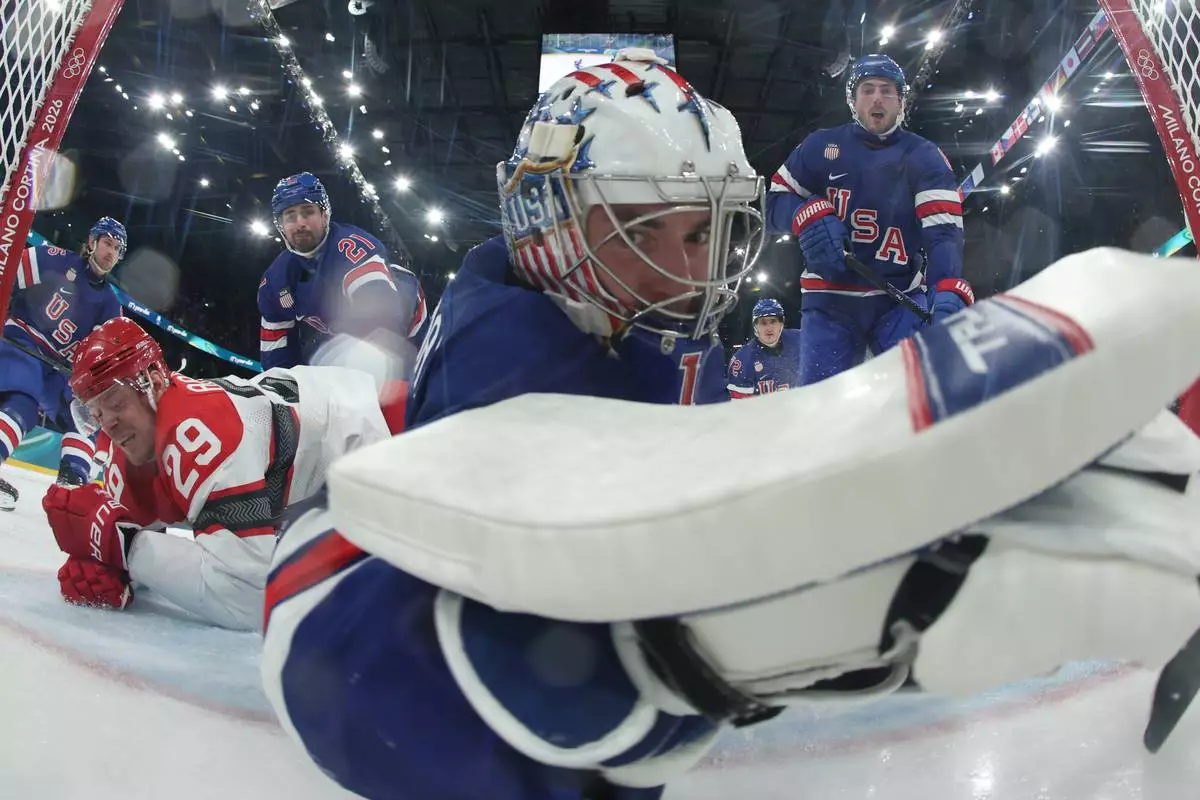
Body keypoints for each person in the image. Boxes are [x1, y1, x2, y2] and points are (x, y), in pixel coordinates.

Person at [260, 50, 765, 800]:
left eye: (702, 234)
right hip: (378, 611)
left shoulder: (610, 309)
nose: (692, 273)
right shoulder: (517, 357)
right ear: (553, 228)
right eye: (643, 229)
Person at [40, 317, 397, 630]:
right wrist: (110, 565)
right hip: (319, 446)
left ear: (155, 380)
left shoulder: (197, 432)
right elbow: (137, 550)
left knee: (397, 595)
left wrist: (122, 547)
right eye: (96, 412)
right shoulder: (133, 450)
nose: (109, 424)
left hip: (369, 426)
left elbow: (245, 597)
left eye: (116, 402)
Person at [765, 54, 969, 386]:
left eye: (887, 90)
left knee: (925, 390)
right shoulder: (820, 146)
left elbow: (943, 234)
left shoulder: (926, 157)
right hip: (829, 303)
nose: (877, 97)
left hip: (899, 298)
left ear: (901, 101)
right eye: (867, 89)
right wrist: (805, 215)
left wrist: (946, 288)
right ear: (853, 100)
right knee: (823, 407)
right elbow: (772, 205)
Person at [0, 217, 127, 510]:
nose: (111, 253)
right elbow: (7, 268)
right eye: (107, 243)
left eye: (118, 249)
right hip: (23, 343)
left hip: (57, 368)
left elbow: (102, 357)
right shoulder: (54, 259)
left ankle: (72, 486)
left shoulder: (110, 303)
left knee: (85, 417)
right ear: (92, 242)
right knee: (23, 404)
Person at [257, 172, 427, 372]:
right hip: (342, 331)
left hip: (406, 325)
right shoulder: (275, 281)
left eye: (307, 211)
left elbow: (383, 320)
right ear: (282, 227)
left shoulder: (353, 250)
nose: (300, 222)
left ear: (324, 215)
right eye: (290, 216)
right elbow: (276, 355)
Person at [726, 297, 802, 398]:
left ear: (781, 324)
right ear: (755, 326)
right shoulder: (742, 360)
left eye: (773, 321)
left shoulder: (801, 340)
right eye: (763, 322)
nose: (769, 328)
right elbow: (742, 409)